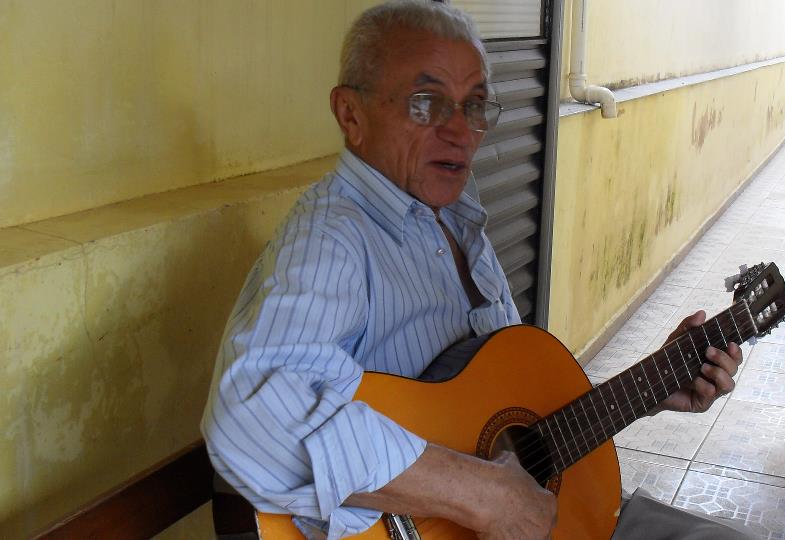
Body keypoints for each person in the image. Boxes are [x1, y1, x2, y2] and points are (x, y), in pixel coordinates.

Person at [201, 2, 750, 539]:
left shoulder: (456, 218)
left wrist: (647, 389)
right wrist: (483, 494)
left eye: (476, 105)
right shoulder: (333, 239)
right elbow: (250, 416)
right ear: (351, 115)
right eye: (426, 103)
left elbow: (510, 427)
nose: (461, 131)